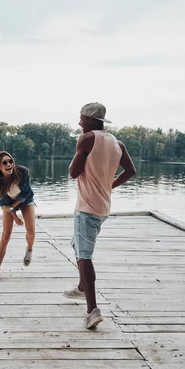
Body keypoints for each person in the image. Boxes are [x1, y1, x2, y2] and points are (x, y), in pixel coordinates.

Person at [65, 102, 136, 330]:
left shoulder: (87, 138)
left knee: (84, 255)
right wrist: (109, 185)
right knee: (77, 244)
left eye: (81, 118)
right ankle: (81, 287)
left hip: (86, 207)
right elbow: (131, 171)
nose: (79, 123)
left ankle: (92, 310)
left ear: (91, 120)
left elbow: (73, 172)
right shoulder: (117, 143)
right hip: (103, 206)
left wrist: (79, 155)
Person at [0, 152, 36, 283]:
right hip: (9, 205)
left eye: (10, 161)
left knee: (31, 232)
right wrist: (14, 216)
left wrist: (14, 210)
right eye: (5, 163)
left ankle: (29, 249)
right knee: (5, 235)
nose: (9, 164)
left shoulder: (22, 172)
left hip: (26, 201)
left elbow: (25, 194)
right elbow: (4, 202)